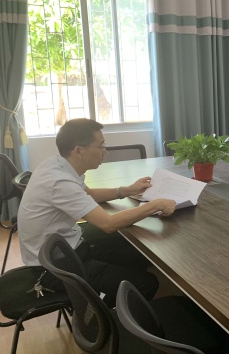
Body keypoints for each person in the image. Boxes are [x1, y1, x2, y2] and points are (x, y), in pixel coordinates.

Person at [18, 118, 177, 307]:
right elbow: (108, 224)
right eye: (101, 146)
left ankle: (110, 304)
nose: (105, 151)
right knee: (146, 283)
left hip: (67, 249)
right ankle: (103, 316)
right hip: (57, 268)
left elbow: (90, 194)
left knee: (138, 256)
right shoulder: (59, 182)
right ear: (79, 150)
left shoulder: (55, 165)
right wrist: (154, 205)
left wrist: (126, 190)